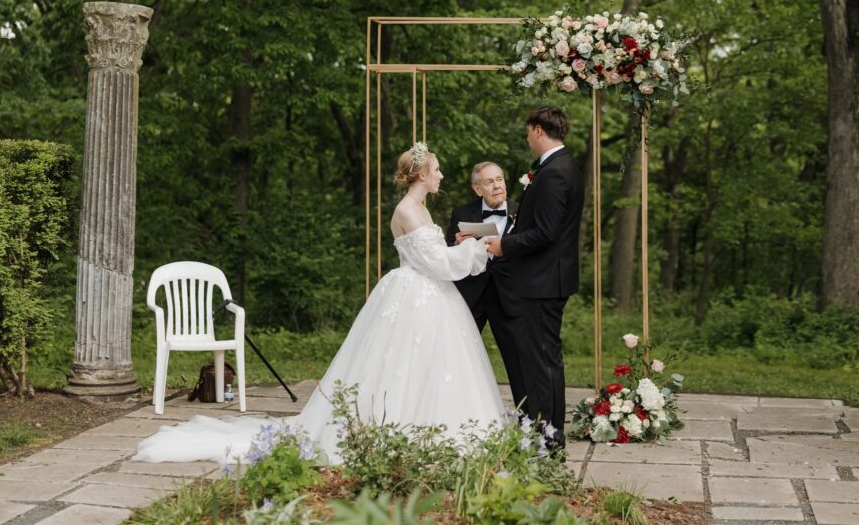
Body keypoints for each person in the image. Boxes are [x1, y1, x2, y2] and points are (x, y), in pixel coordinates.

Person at [135, 143, 506, 465]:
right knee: (400, 365)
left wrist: (460, 246)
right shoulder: (408, 210)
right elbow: (437, 264)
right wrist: (474, 249)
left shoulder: (421, 208)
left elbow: (436, 256)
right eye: (437, 170)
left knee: (430, 367)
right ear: (422, 173)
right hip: (415, 293)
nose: (442, 175)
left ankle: (432, 429)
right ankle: (398, 430)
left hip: (431, 295)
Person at [485, 106, 584, 449]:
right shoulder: (560, 166)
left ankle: (548, 438)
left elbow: (545, 232)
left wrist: (504, 245)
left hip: (543, 281)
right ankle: (548, 433)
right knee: (544, 358)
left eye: (528, 132)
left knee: (541, 360)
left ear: (538, 130)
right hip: (546, 279)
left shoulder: (555, 172)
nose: (527, 139)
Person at [446, 162, 526, 410]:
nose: (497, 185)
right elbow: (449, 253)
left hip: (509, 296)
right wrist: (457, 245)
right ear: (477, 188)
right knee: (458, 357)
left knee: (518, 362)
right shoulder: (462, 213)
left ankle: (527, 417)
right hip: (472, 296)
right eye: (489, 182)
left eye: (499, 179)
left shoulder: (522, 211)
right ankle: (455, 411)